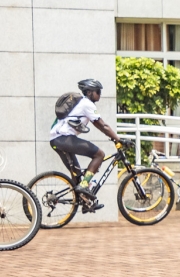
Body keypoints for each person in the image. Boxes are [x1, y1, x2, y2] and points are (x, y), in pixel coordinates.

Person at [50, 79, 126, 211]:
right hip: (64, 138)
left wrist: (113, 137)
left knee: (77, 174)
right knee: (99, 154)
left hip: (57, 140)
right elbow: (102, 125)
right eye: (98, 91)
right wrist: (118, 139)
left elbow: (98, 125)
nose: (100, 94)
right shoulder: (87, 104)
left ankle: (85, 202)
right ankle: (85, 185)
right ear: (90, 92)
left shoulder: (81, 104)